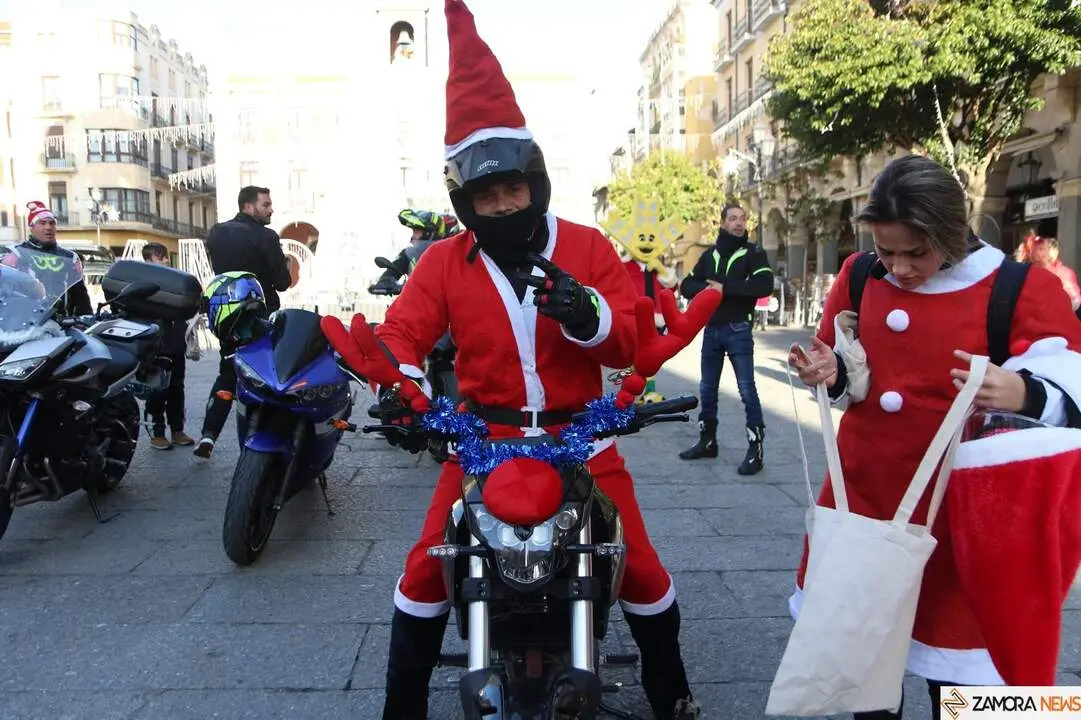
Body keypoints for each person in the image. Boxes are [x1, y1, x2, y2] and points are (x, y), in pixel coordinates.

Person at [330, 2, 700, 718]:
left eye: (512, 189)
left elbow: (627, 341)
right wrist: (400, 384)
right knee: (421, 574)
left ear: (535, 182)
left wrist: (585, 314)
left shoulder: (587, 247)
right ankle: (398, 708)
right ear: (464, 202)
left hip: (582, 438)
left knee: (645, 574)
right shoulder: (442, 260)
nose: (501, 205)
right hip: (480, 441)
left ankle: (673, 696)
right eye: (484, 195)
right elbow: (403, 333)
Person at [787, 154, 1081, 720]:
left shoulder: (1020, 288)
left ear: (952, 231)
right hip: (868, 497)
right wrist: (830, 372)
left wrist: (1023, 392)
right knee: (867, 674)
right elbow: (844, 360)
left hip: (965, 518)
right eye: (886, 250)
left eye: (915, 252)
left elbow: (1068, 379)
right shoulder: (859, 273)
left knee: (965, 685)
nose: (897, 266)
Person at [195, 186, 291, 459]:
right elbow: (282, 283)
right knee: (264, 373)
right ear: (249, 206)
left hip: (225, 313)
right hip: (259, 312)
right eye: (266, 204)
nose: (271, 209)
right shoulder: (266, 236)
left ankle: (208, 434)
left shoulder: (216, 232)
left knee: (228, 369)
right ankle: (260, 436)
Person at [677, 204, 773, 473]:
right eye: (733, 218)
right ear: (722, 222)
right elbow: (687, 285)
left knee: (746, 390)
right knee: (707, 389)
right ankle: (707, 442)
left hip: (738, 329)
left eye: (743, 218)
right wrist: (710, 289)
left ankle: (756, 450)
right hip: (712, 330)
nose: (739, 222)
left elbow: (764, 285)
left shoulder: (753, 253)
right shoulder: (710, 255)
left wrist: (725, 288)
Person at [140, 242, 194, 450]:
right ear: (148, 260)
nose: (164, 260)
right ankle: (157, 432)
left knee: (176, 388)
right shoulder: (143, 283)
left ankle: (178, 430)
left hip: (175, 342)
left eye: (165, 256)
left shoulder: (174, 279)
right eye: (159, 256)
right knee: (157, 389)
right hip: (155, 344)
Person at [1, 201, 92, 316]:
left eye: (52, 223)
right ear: (32, 227)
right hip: (24, 323)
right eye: (42, 223)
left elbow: (80, 295)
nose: (48, 227)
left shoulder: (70, 257)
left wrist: (86, 318)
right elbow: (5, 291)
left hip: (61, 323)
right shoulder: (16, 254)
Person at [368, 209, 454, 294]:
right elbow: (393, 271)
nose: (412, 237)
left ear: (429, 234)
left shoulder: (448, 257)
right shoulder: (409, 254)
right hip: (413, 302)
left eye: (416, 232)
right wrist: (385, 281)